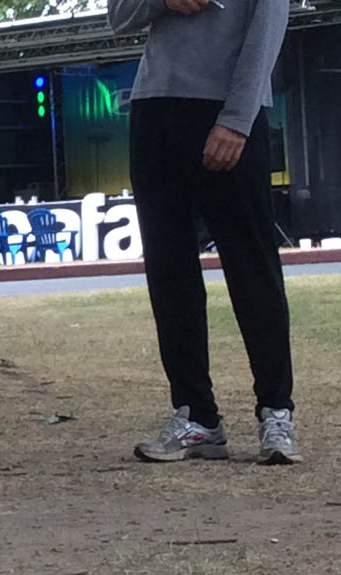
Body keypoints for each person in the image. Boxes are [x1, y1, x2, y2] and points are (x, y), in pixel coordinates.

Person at [108, 0, 300, 464]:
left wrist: (237, 119)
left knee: (252, 267)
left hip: (228, 109)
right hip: (154, 105)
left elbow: (268, 27)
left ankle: (276, 412)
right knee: (169, 270)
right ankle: (196, 415)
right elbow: (118, 16)